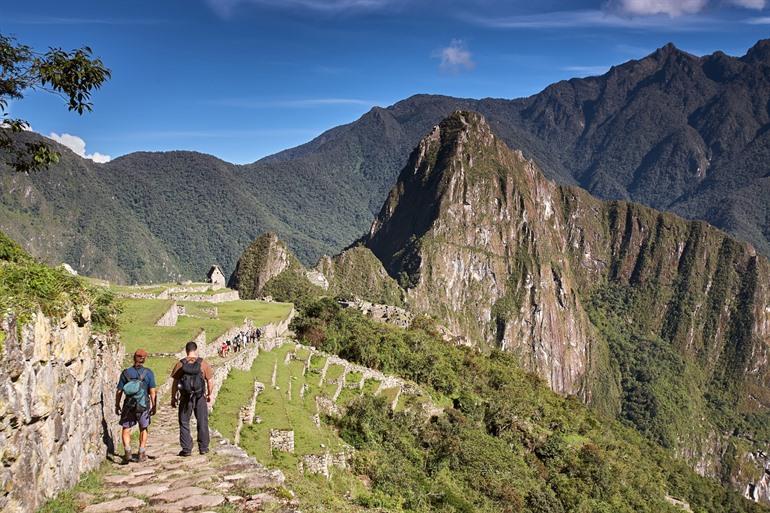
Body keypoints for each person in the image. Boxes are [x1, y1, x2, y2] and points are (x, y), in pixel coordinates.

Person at [170, 341, 215, 456]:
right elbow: (210, 381)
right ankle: (203, 447)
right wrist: (210, 394)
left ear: (186, 350)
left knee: (184, 422)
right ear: (196, 350)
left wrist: (173, 397)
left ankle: (186, 448)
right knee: (202, 421)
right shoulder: (203, 363)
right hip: (199, 396)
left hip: (185, 398)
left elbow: (175, 382)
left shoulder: (180, 364)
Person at [115, 349, 157, 464]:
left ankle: (128, 451)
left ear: (134, 357)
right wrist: (154, 405)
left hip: (129, 405)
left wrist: (117, 404)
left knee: (126, 428)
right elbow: (152, 391)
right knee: (143, 428)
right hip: (143, 405)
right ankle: (141, 452)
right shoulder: (148, 373)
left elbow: (119, 391)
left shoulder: (126, 373)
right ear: (144, 359)